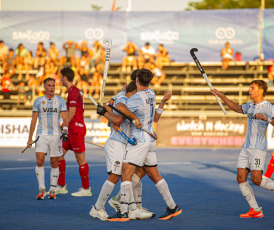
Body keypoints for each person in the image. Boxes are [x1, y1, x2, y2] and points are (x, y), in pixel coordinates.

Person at [102, 68, 182, 222]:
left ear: (137, 80)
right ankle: (172, 207)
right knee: (154, 174)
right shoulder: (151, 93)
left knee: (126, 173)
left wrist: (120, 95)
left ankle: (123, 212)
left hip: (139, 141)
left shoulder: (136, 98)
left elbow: (120, 109)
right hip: (150, 141)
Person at [211, 80, 274, 218]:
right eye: (250, 87)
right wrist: (221, 96)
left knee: (257, 180)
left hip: (258, 148)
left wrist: (266, 119)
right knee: (240, 177)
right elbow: (237, 108)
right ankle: (255, 209)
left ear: (260, 90)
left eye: (252, 88)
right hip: (246, 147)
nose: (249, 90)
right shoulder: (250, 106)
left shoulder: (267, 106)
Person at [27, 77, 68, 200]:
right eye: (49, 85)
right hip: (41, 134)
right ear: (44, 87)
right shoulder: (38, 101)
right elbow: (34, 119)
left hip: (56, 135)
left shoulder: (60, 100)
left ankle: (52, 189)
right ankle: (41, 188)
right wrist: (30, 138)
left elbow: (65, 118)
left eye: (53, 85)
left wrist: (65, 130)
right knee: (39, 160)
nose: (51, 88)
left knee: (54, 162)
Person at [56, 67, 91, 197]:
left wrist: (63, 125)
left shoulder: (73, 92)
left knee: (80, 159)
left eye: (60, 77)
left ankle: (86, 189)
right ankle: (61, 186)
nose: (59, 79)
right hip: (71, 129)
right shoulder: (73, 91)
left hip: (75, 129)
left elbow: (72, 112)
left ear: (65, 78)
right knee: (59, 154)